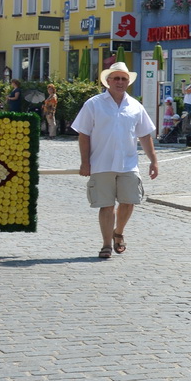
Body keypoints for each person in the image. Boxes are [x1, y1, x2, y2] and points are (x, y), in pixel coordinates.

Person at [72, 63, 159, 260]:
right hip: (101, 163)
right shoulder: (94, 104)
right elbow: (83, 134)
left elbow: (145, 135)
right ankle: (105, 245)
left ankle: (118, 232)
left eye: (124, 79)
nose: (120, 82)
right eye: (116, 78)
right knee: (106, 205)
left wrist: (153, 160)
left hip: (128, 163)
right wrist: (84, 162)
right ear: (108, 81)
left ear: (128, 82)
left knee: (129, 202)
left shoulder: (135, 106)